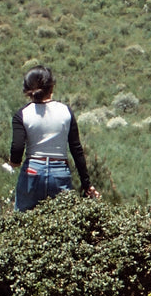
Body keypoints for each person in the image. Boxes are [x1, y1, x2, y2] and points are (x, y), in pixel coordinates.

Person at [9, 66, 98, 211]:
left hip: (33, 171)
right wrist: (86, 184)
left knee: (21, 222)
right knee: (62, 224)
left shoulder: (22, 114)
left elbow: (17, 148)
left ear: (28, 91)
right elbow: (76, 150)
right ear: (51, 87)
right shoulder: (65, 111)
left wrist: (13, 162)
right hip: (60, 172)